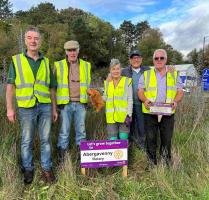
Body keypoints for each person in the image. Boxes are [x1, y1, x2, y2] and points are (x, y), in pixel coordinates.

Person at [6, 27, 58, 184]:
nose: (33, 41)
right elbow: (10, 86)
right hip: (26, 107)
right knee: (27, 140)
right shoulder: (16, 60)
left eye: (36, 38)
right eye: (30, 38)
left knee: (46, 139)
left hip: (45, 106)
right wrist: (10, 108)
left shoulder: (46, 62)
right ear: (25, 40)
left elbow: (52, 88)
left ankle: (46, 168)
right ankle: (28, 169)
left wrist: (54, 108)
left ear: (40, 41)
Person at [138, 49, 184, 168]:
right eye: (156, 58)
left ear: (166, 59)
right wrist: (145, 100)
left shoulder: (174, 74)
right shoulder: (146, 74)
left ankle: (165, 163)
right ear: (153, 60)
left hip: (168, 112)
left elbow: (180, 92)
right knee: (151, 139)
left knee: (166, 138)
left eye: (161, 58)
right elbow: (140, 92)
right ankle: (151, 163)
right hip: (150, 112)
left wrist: (175, 101)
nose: (159, 60)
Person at [54, 40, 91, 162]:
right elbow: (53, 87)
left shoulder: (86, 65)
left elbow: (88, 85)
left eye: (74, 50)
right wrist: (54, 106)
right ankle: (62, 160)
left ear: (78, 50)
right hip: (65, 104)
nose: (72, 52)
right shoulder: (58, 65)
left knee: (81, 132)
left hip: (81, 104)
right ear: (66, 52)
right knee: (64, 132)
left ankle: (82, 160)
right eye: (69, 50)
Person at [121, 50, 150, 149]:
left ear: (141, 59)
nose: (136, 60)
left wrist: (169, 68)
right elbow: (112, 76)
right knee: (128, 125)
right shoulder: (124, 71)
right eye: (133, 58)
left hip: (142, 103)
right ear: (130, 60)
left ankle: (142, 145)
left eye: (138, 57)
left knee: (142, 126)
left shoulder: (148, 70)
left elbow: (160, 70)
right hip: (128, 104)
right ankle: (129, 145)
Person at [104, 59, 133, 140]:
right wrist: (95, 96)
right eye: (113, 69)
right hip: (111, 117)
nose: (116, 71)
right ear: (110, 70)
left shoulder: (127, 81)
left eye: (117, 68)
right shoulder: (107, 82)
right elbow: (105, 98)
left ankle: (125, 153)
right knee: (112, 140)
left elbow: (130, 99)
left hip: (124, 117)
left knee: (123, 139)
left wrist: (129, 114)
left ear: (121, 70)